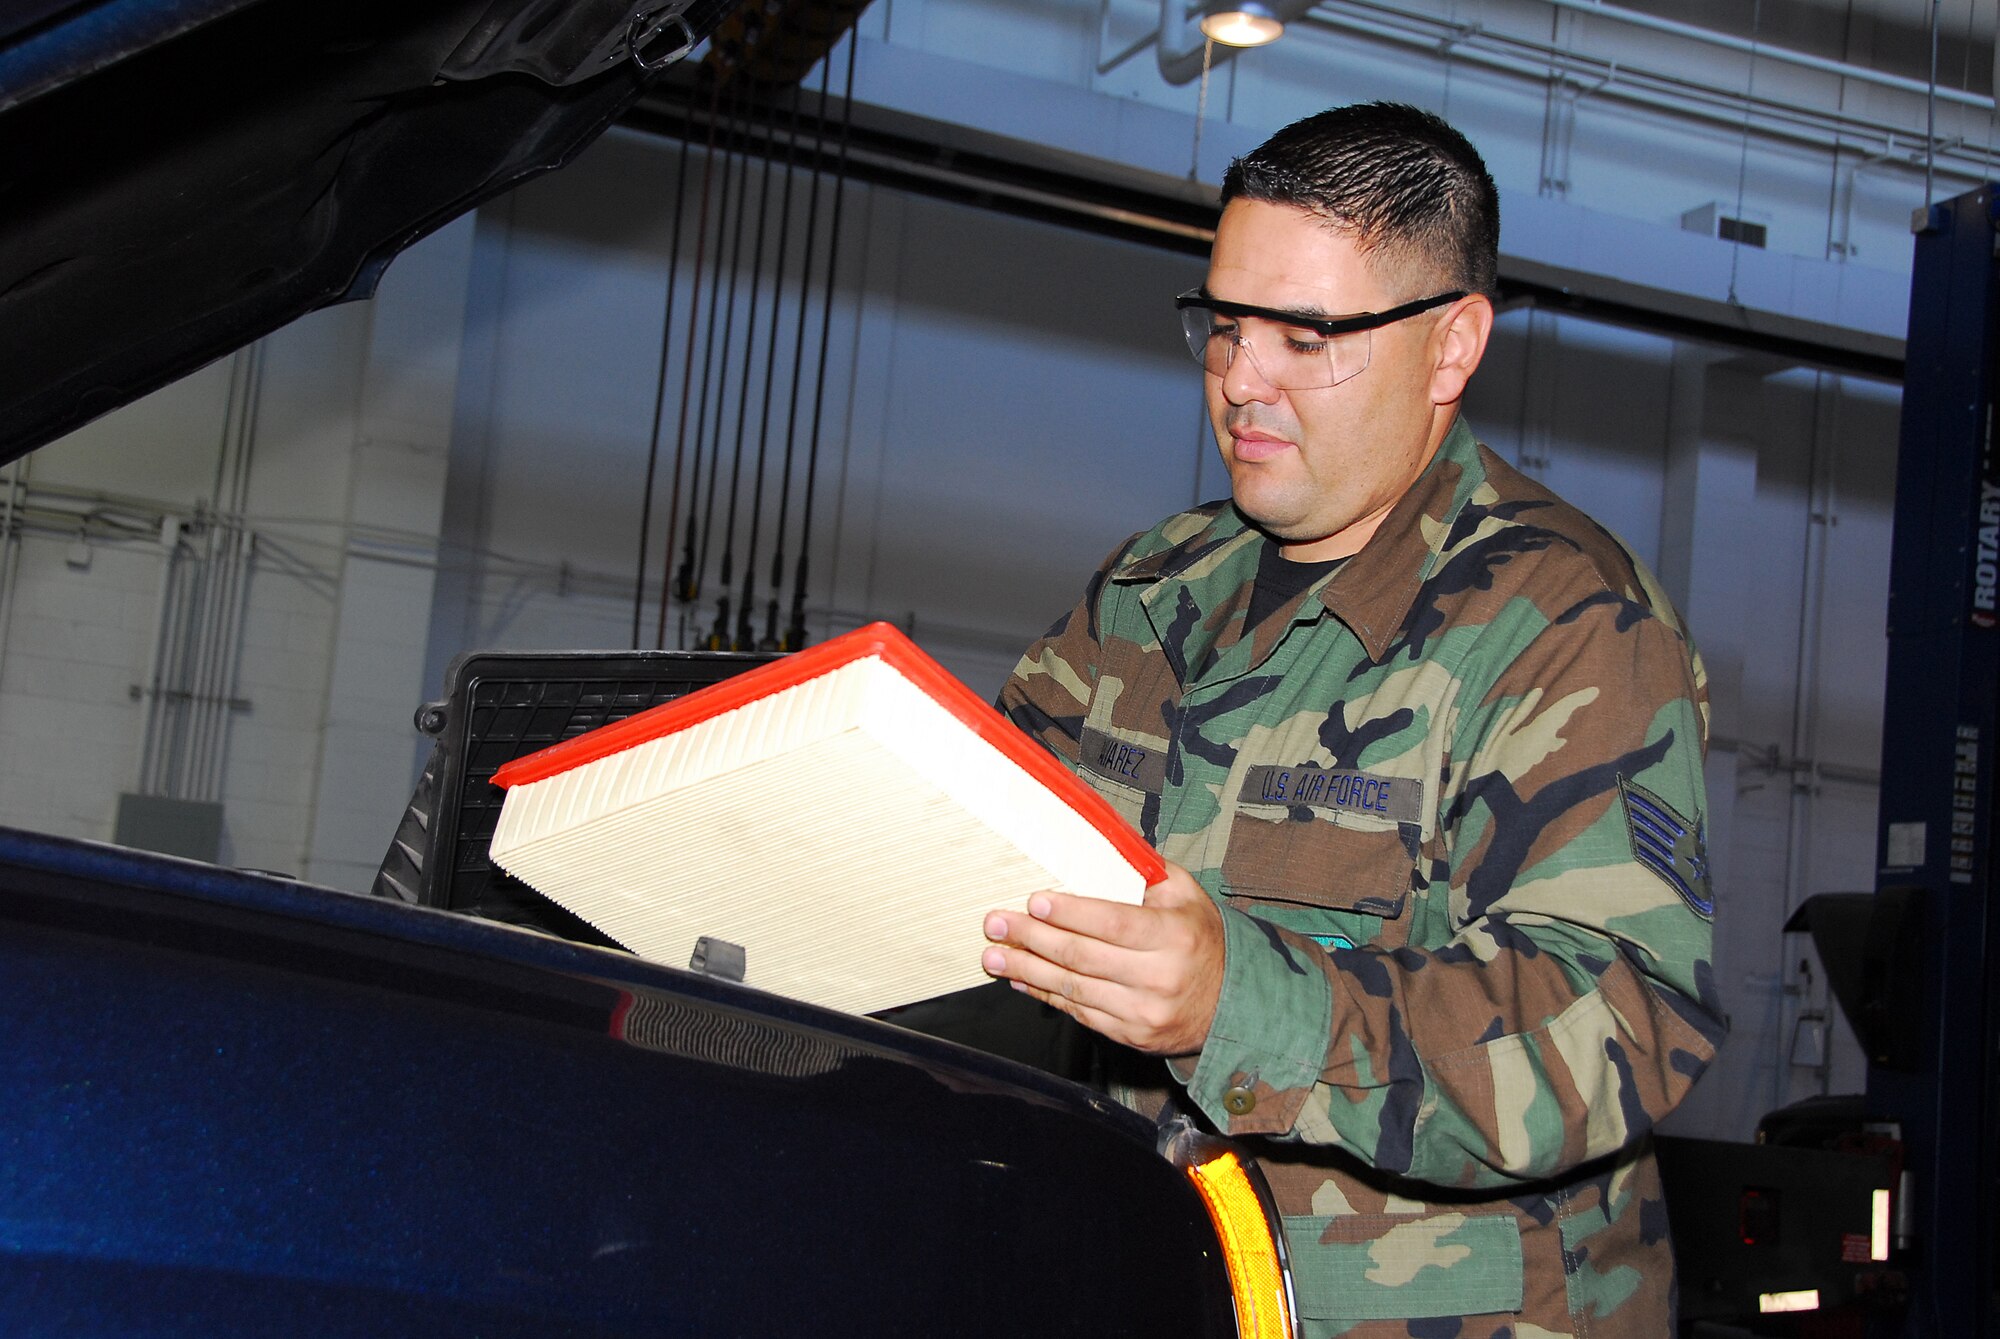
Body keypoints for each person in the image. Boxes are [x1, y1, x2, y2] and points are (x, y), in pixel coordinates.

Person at [982, 102, 1723, 1337]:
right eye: (1221, 322)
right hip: (1150, 1278)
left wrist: (1240, 1005)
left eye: (1305, 333)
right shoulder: (1151, 589)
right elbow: (989, 825)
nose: (1239, 377)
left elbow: (1622, 1022)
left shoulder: (1566, 622)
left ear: (1450, 348)